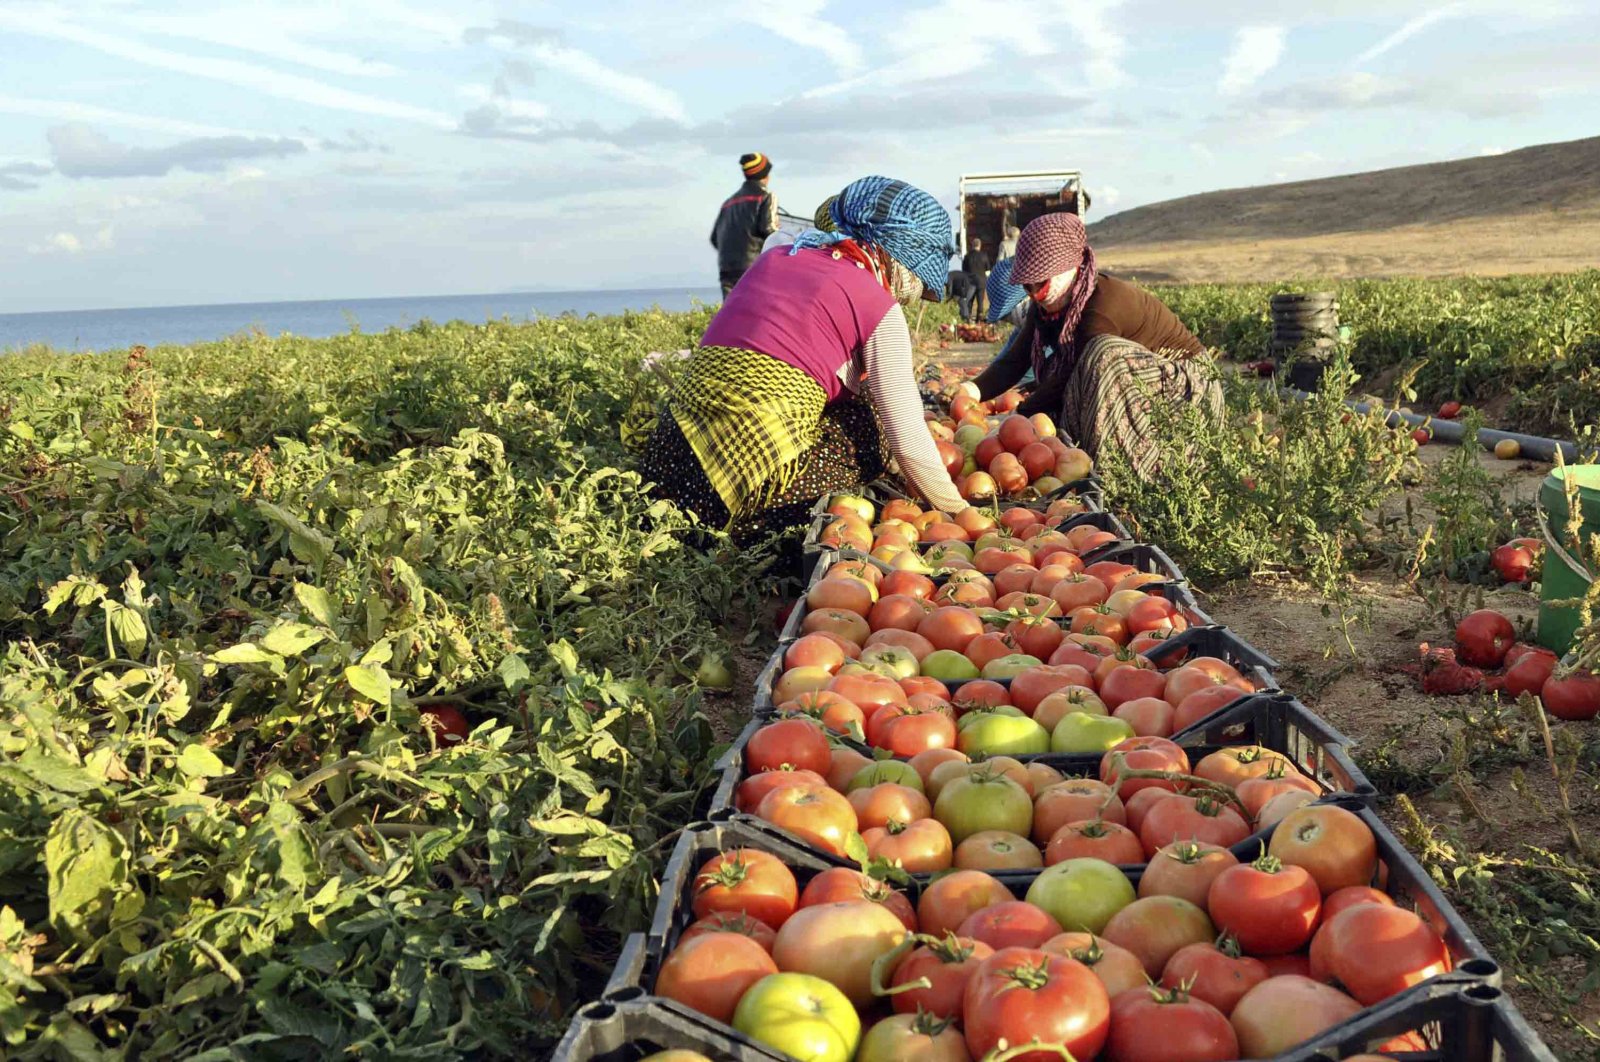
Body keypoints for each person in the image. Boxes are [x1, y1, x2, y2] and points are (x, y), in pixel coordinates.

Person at [641, 175, 969, 544]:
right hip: (742, 491)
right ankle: (764, 531)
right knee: (868, 428)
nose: (912, 295)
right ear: (899, 256)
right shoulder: (877, 305)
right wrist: (959, 515)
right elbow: (906, 437)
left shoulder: (776, 259)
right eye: (917, 281)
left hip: (669, 467)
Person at [971, 212, 1220, 475]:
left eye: (1040, 282)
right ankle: (1077, 460)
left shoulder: (1103, 304)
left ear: (1068, 268)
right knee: (1070, 376)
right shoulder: (1047, 306)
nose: (1033, 293)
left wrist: (1016, 420)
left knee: (1101, 354)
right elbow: (1015, 359)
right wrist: (970, 391)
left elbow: (1070, 374)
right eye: (1026, 286)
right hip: (1140, 382)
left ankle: (1123, 470)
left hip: (1185, 388)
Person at [710, 152, 778, 297]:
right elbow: (769, 230)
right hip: (752, 269)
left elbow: (715, 238)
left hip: (726, 270)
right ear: (765, 175)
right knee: (756, 312)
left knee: (732, 314)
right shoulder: (766, 197)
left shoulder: (728, 204)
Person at [961, 238, 991, 322]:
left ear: (972, 245)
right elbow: (988, 270)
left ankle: (968, 318)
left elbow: (964, 271)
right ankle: (979, 319)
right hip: (981, 281)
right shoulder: (984, 256)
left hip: (970, 282)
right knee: (980, 301)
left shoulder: (967, 257)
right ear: (980, 245)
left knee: (970, 300)